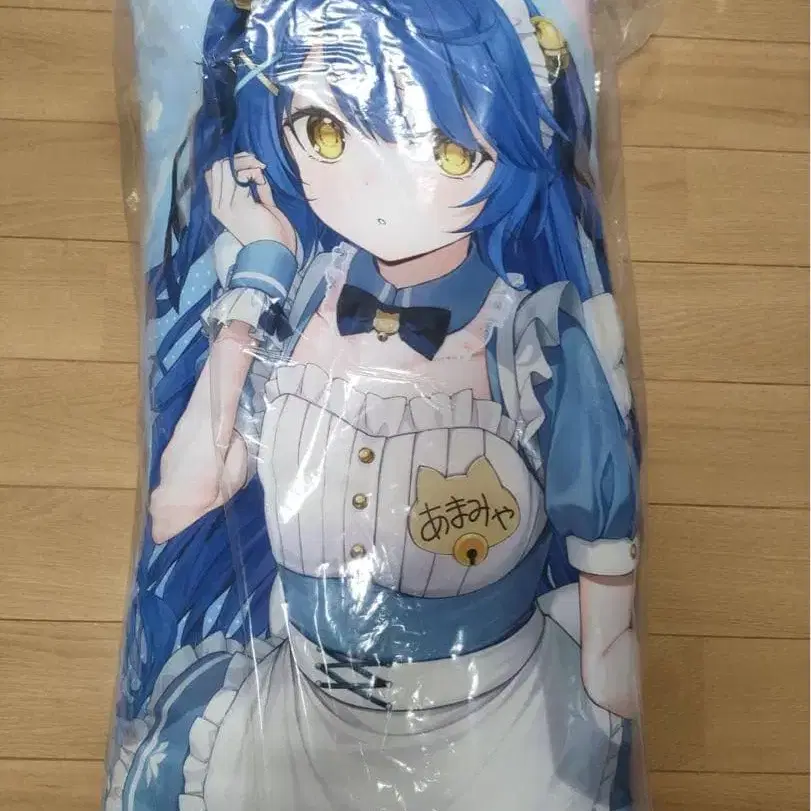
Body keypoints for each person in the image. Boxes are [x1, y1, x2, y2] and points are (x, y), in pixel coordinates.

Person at [106, 0, 640, 808]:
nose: (376, 184)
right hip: (296, 723)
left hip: (500, 728)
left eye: (447, 149)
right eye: (326, 132)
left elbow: (602, 525)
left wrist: (605, 669)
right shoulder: (295, 304)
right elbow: (181, 498)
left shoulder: (532, 341)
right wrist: (256, 278)